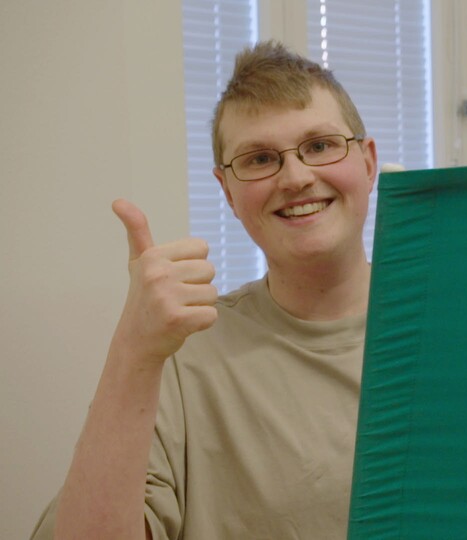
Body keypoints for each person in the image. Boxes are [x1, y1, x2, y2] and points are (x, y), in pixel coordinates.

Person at [31, 40, 378, 539]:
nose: (296, 177)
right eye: (260, 158)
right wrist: (134, 350)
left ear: (368, 162)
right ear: (228, 192)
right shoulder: (178, 359)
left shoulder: (456, 329)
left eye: (320, 146)